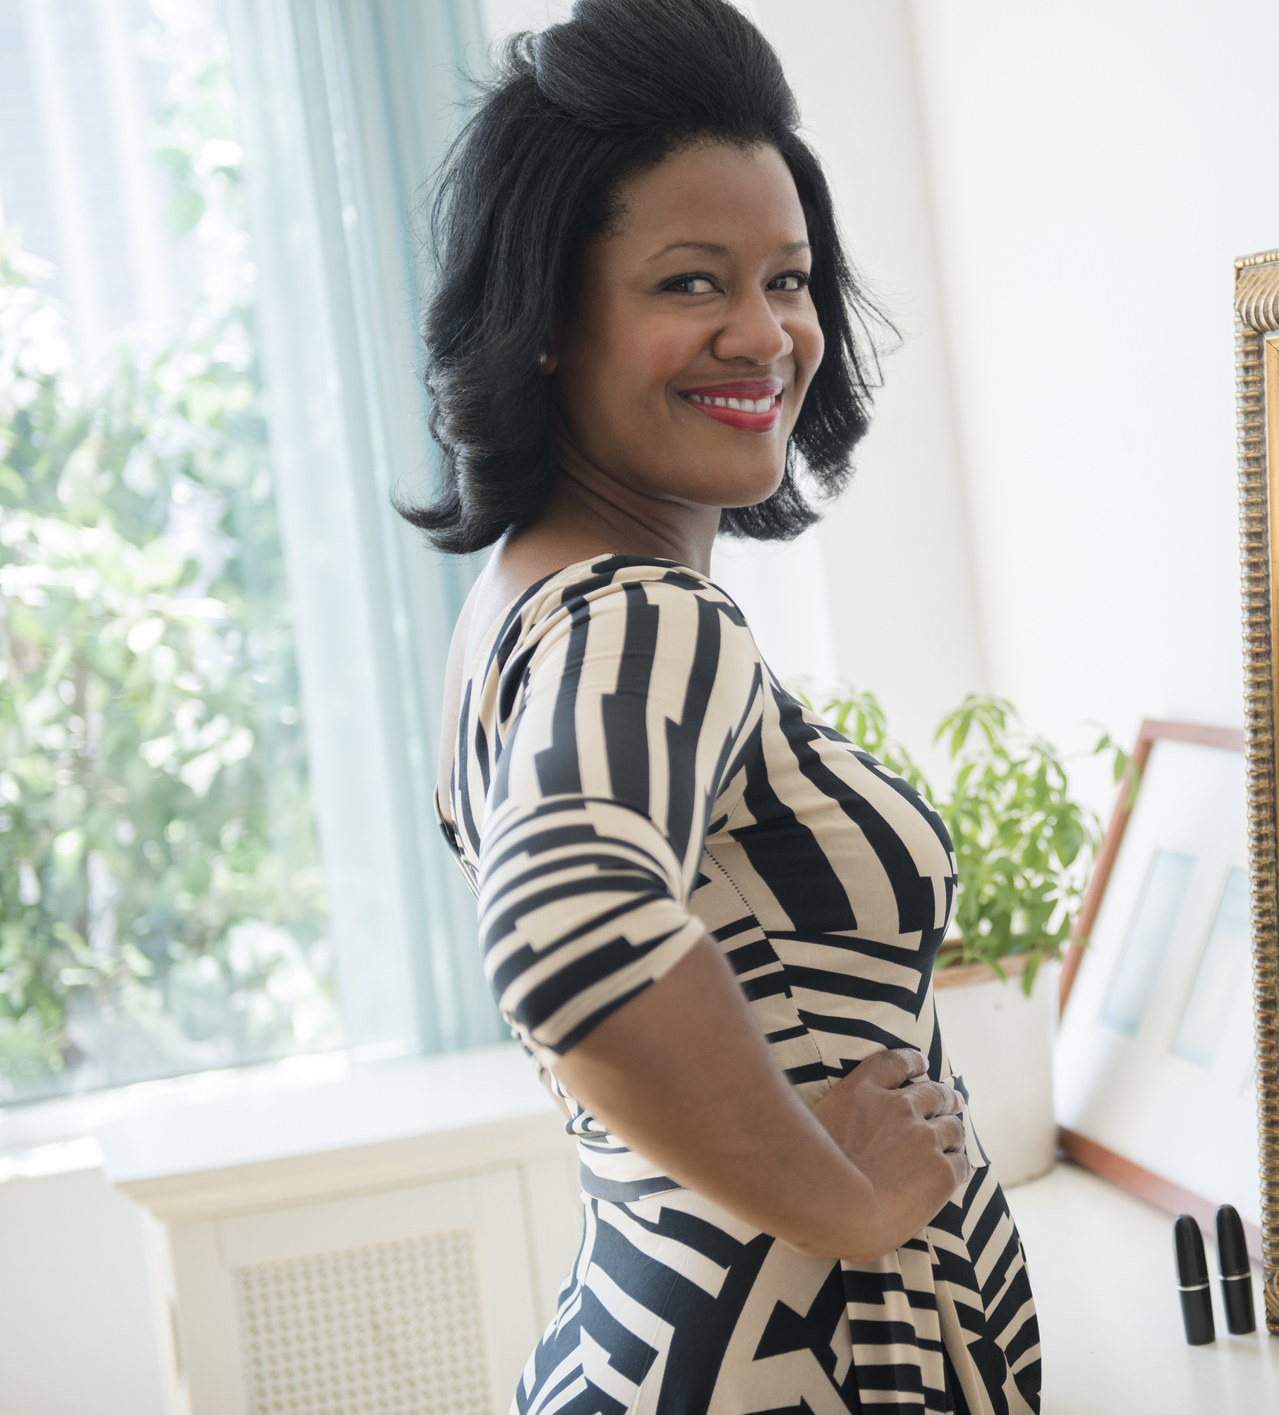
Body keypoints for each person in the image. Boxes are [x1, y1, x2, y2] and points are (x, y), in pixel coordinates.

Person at [400, 3, 1038, 1409]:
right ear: (548, 320)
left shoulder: (524, 599)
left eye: (790, 278)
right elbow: (569, 932)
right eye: (691, 282)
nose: (765, 333)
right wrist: (848, 1203)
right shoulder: (641, 612)